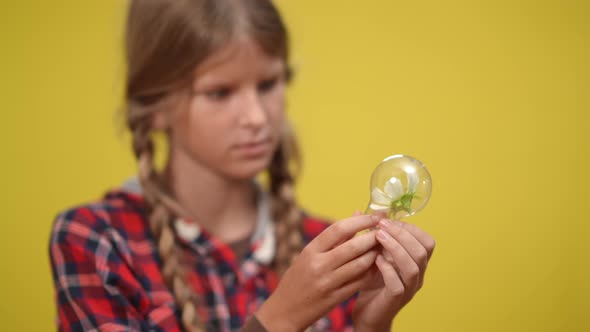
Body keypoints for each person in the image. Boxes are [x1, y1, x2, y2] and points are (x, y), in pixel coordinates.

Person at [49, 0, 436, 331]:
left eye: (268, 84)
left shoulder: (327, 252)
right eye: (219, 92)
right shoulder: (96, 241)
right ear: (156, 107)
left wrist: (369, 326)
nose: (256, 117)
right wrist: (281, 319)